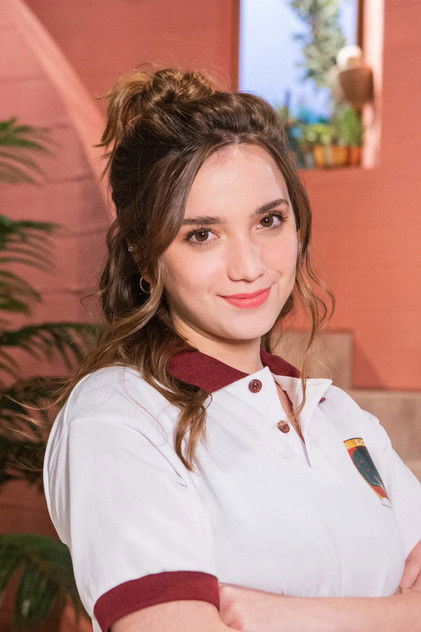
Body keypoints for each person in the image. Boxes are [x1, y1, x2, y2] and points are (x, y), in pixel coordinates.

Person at [43, 66, 421, 632]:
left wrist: (278, 616)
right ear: (145, 255)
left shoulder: (339, 416)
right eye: (202, 234)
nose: (249, 266)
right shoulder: (119, 415)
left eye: (269, 221)